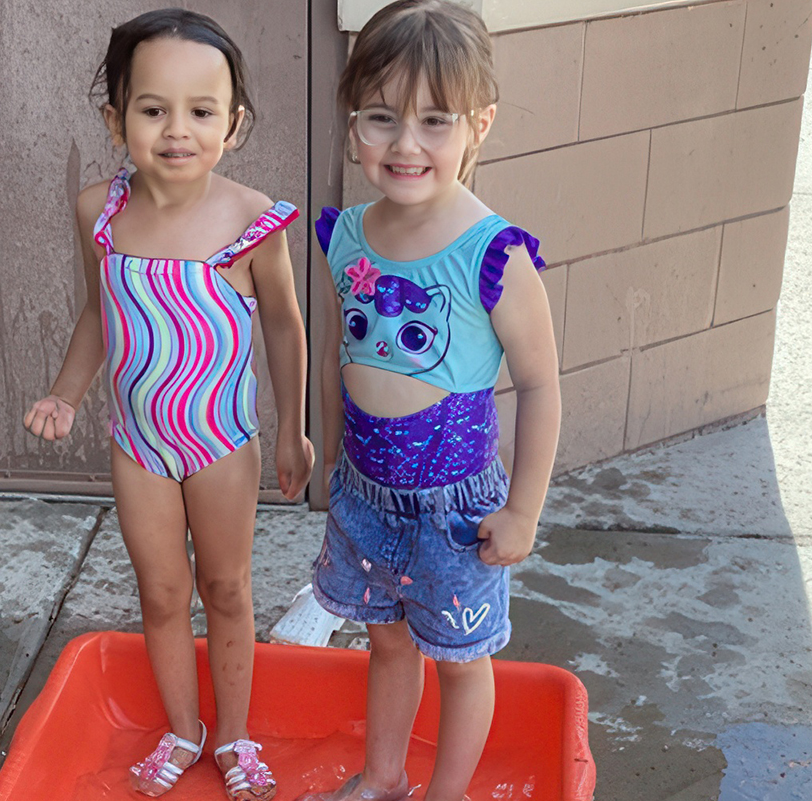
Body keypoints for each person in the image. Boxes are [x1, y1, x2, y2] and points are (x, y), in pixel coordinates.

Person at [23, 9, 313, 799]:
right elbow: (97, 312)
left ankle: (234, 734)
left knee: (226, 588)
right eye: (153, 109)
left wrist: (293, 429)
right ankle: (184, 728)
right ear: (117, 119)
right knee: (161, 592)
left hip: (221, 441)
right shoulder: (100, 213)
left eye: (201, 110)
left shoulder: (253, 222)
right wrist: (65, 392)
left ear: (234, 123)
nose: (176, 129)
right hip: (138, 442)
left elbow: (285, 327)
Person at [302, 2, 561, 799]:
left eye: (434, 120)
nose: (405, 144)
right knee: (384, 642)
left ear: (479, 125)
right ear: (353, 124)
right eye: (381, 118)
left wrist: (523, 510)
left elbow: (542, 383)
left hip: (455, 511)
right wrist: (319, 448)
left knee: (462, 658)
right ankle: (383, 779)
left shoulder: (493, 254)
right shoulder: (345, 235)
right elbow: (340, 353)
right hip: (365, 495)